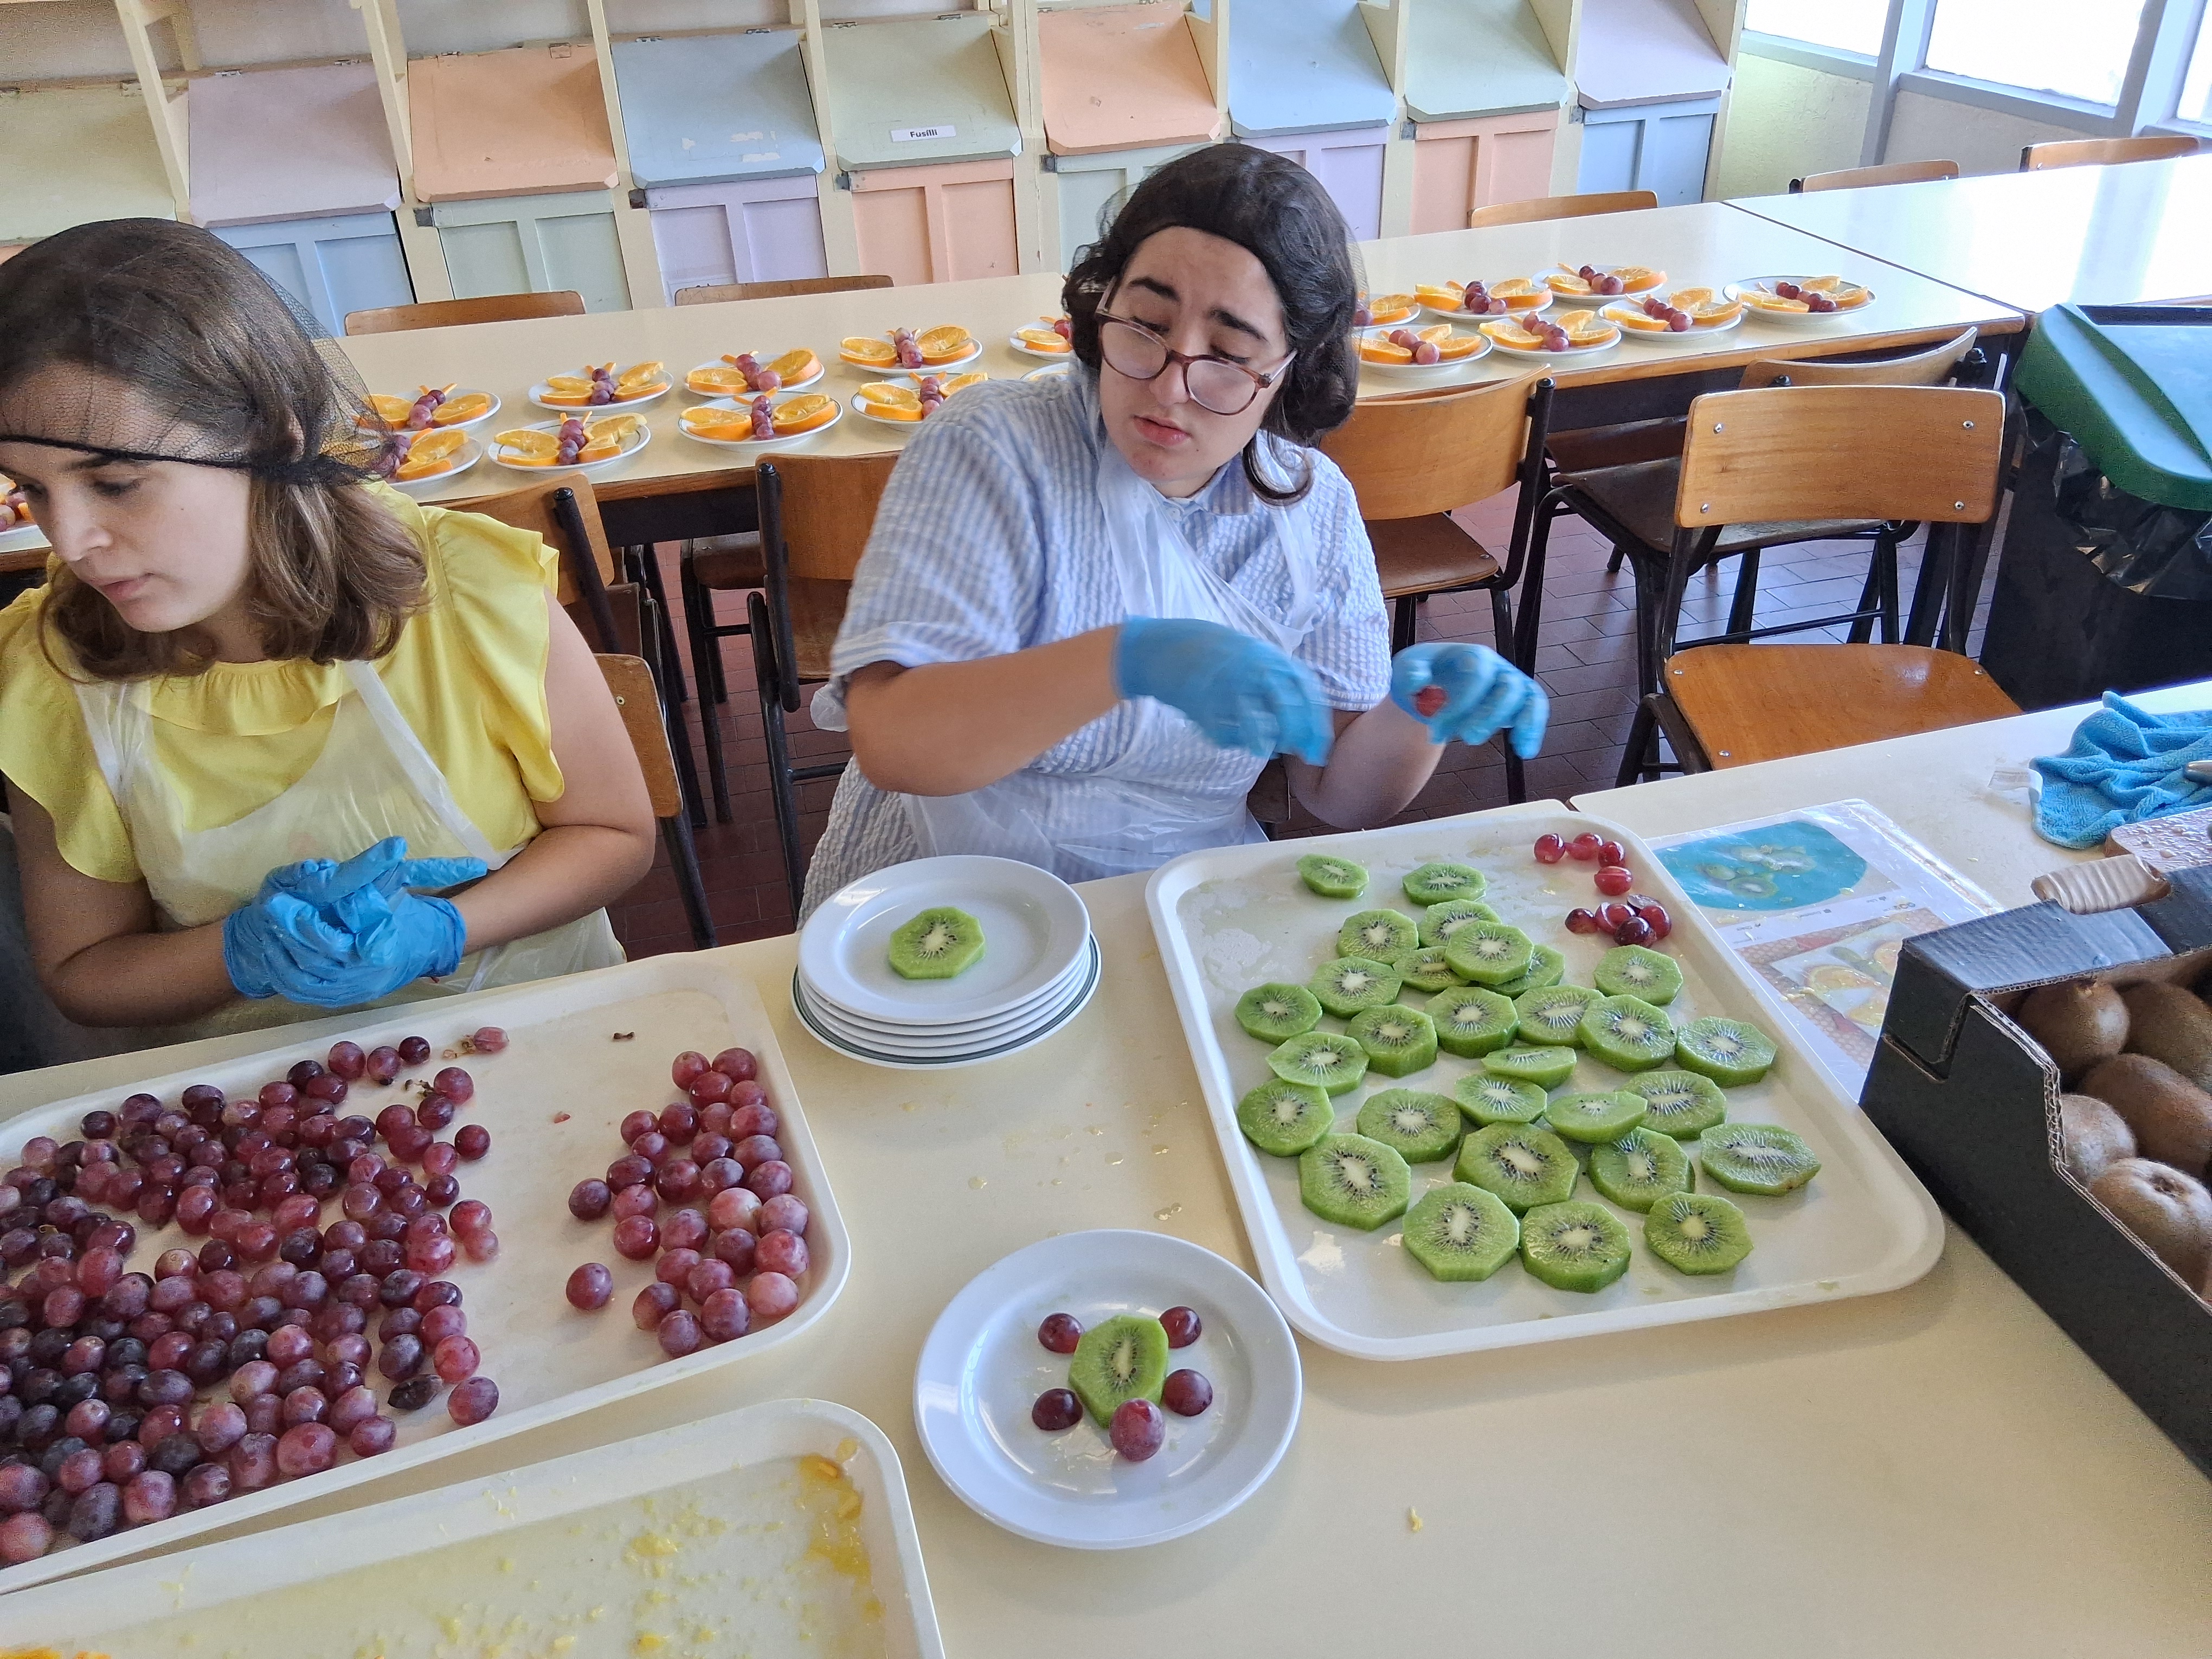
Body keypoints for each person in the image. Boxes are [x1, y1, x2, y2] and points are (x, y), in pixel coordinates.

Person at [801, 144, 1547, 914]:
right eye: (1146, 324)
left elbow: (1337, 794)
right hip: (942, 893)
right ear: (1103, 305)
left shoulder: (1308, 510)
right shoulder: (996, 445)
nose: (1168, 387)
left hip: (1167, 904)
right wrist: (1127, 662)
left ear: (1291, 367)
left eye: (1227, 354)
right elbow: (893, 743)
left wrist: (1416, 714)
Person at [0, 219, 657, 1040]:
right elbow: (83, 971)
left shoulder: (463, 592)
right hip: (264, 1103)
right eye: (32, 489)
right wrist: (239, 955)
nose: (69, 542)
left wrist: (443, 931)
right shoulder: (54, 672)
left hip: (539, 1036)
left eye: (118, 484)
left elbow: (614, 835)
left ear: (272, 438)